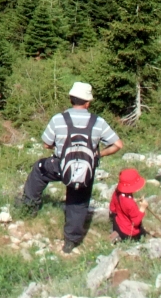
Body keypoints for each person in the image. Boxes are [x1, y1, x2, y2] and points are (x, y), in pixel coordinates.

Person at [19, 82, 123, 253]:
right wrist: (98, 155)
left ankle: (29, 206)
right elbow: (118, 144)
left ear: (70, 99)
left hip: (60, 166)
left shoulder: (59, 119)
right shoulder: (98, 122)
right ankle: (71, 241)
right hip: (85, 170)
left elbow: (46, 144)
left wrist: (60, 148)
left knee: (39, 169)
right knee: (79, 200)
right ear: (88, 103)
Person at [109, 168, 147, 240]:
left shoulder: (117, 192)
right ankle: (123, 237)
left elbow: (113, 208)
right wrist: (142, 208)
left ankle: (117, 233)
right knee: (142, 232)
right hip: (128, 232)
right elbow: (136, 222)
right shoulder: (130, 203)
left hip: (117, 224)